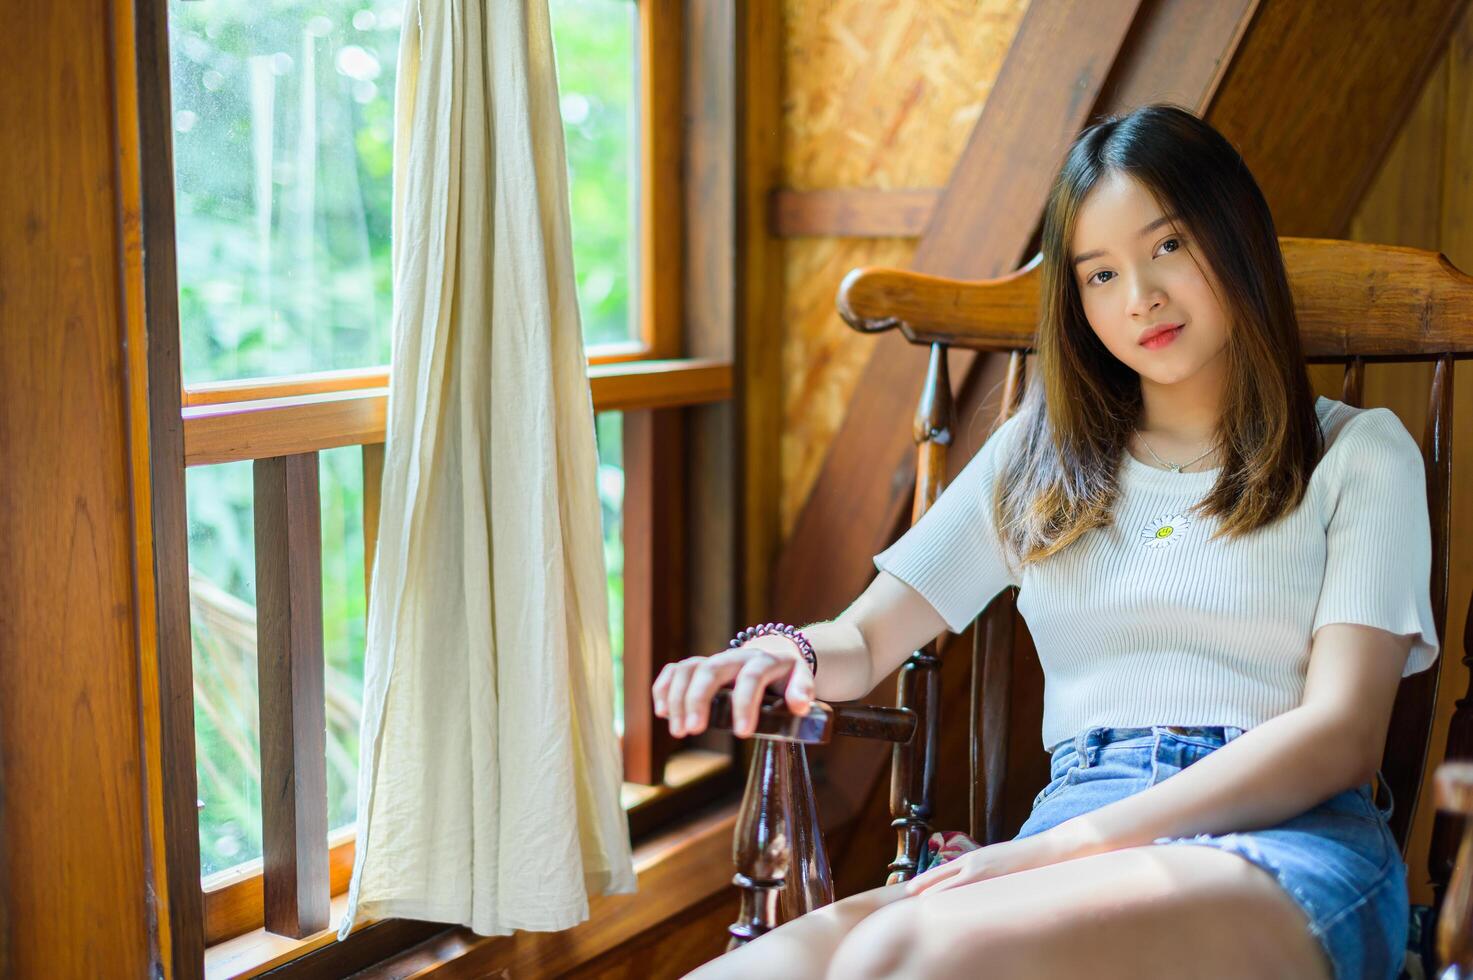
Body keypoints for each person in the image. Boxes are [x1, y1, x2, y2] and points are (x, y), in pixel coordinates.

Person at [653, 102, 1440, 980]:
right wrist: (778, 654)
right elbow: (869, 637)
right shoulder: (1041, 456)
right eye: (1098, 275)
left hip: (1282, 846)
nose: (1139, 296)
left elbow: (1340, 736)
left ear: (1234, 235)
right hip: (1070, 833)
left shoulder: (1355, 454)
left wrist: (1064, 847)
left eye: (1167, 246)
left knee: (904, 954)